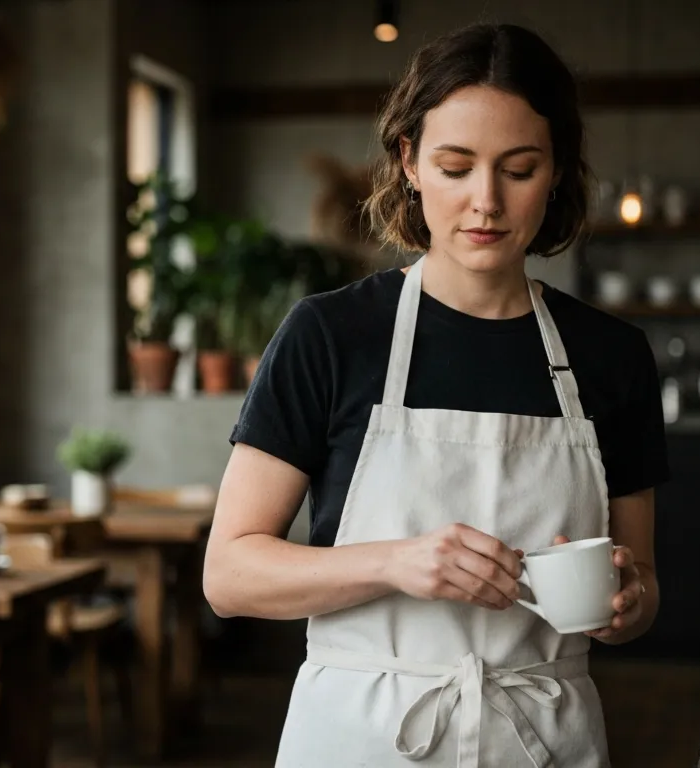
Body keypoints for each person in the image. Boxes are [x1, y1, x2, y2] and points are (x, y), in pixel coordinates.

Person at [202, 23, 670, 767]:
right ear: (410, 162)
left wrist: (627, 603)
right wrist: (394, 563)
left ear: (557, 174)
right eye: (456, 166)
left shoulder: (613, 356)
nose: (485, 202)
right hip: (361, 737)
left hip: (541, 738)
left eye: (519, 170)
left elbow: (639, 584)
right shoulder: (331, 335)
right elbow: (229, 575)